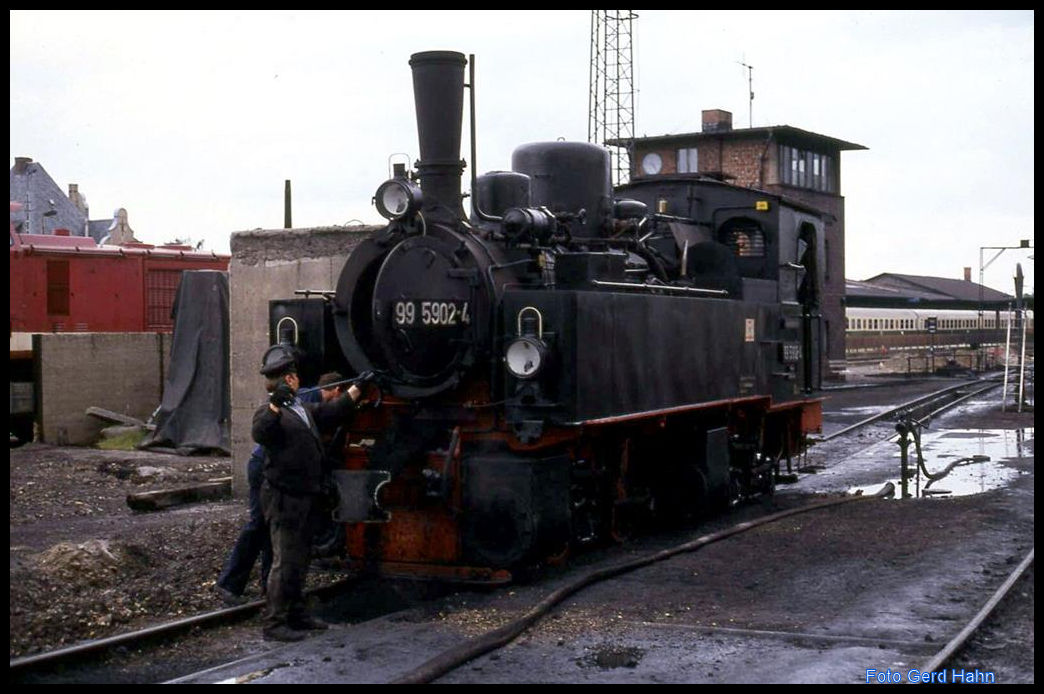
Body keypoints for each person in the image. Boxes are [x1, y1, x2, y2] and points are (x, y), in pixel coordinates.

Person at [252, 346, 365, 642]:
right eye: (293, 376)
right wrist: (275, 405)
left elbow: (330, 412)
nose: (297, 379)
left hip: (304, 497)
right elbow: (262, 432)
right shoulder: (269, 412)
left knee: (300, 559)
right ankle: (274, 623)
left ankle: (297, 613)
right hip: (284, 497)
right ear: (287, 380)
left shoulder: (301, 409)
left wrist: (356, 389)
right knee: (285, 560)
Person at [214, 444, 272, 606]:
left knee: (269, 527)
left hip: (269, 465)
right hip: (266, 466)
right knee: (259, 525)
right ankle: (229, 584)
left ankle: (271, 587)